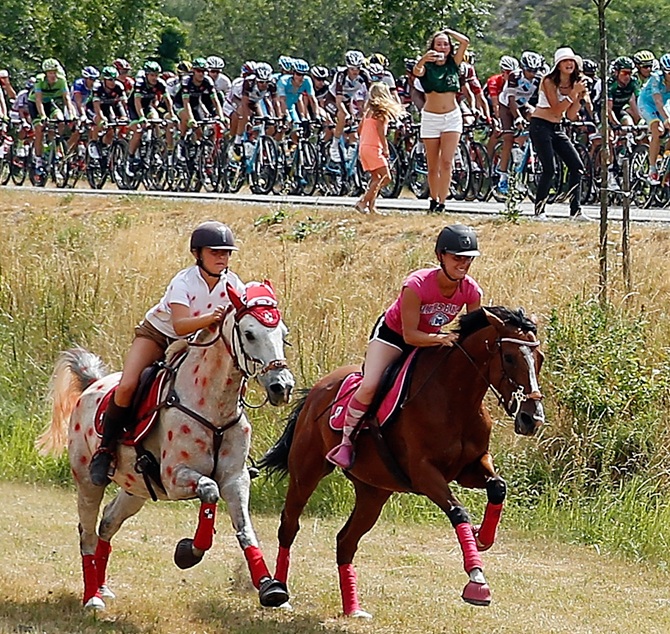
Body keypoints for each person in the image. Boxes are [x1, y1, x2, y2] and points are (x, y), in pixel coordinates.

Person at [89, 221, 245, 486]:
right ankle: (105, 450)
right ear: (197, 254)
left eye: (226, 253)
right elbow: (179, 325)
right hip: (159, 336)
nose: (222, 258)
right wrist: (211, 318)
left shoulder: (234, 284)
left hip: (197, 343)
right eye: (214, 252)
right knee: (127, 385)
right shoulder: (183, 281)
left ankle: (233, 459)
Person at [326, 224, 483, 469]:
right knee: (370, 385)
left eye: (468, 259)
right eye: (457, 258)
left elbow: (474, 334)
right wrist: (441, 339)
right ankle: (346, 441)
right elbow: (410, 336)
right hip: (393, 337)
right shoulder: (416, 285)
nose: (463, 264)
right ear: (440, 256)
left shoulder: (471, 291)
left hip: (432, 338)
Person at [412, 28, 470, 213]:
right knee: (432, 164)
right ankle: (433, 199)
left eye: (445, 44)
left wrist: (448, 32)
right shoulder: (427, 66)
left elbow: (465, 42)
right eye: (439, 44)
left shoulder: (454, 63)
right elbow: (417, 71)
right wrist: (424, 58)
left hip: (451, 117)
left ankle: (443, 203)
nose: (442, 47)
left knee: (447, 162)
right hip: (430, 117)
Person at [529, 47, 589, 221]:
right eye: (565, 61)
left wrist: (580, 98)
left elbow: (569, 115)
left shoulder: (574, 83)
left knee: (577, 165)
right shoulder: (548, 81)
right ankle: (539, 210)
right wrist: (573, 94)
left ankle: (575, 210)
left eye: (571, 61)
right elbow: (555, 108)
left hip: (557, 127)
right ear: (558, 65)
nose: (569, 64)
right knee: (549, 168)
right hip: (540, 125)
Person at [354, 83, 404, 214]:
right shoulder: (381, 114)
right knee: (386, 177)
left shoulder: (367, 113)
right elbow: (381, 132)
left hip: (364, 147)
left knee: (376, 178)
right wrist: (386, 149)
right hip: (373, 148)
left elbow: (359, 130)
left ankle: (371, 206)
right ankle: (363, 201)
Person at [637, 53, 670, 185]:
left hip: (665, 103)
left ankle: (666, 158)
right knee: (658, 129)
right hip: (647, 103)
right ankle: (652, 169)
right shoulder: (656, 78)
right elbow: (657, 101)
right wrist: (666, 118)